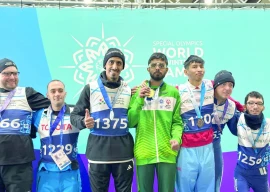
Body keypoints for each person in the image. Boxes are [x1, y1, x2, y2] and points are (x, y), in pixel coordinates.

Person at [70, 48, 134, 192]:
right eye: (111, 62)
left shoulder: (129, 90)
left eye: (119, 63)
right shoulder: (90, 88)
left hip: (124, 153)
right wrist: (83, 122)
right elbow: (74, 116)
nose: (115, 66)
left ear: (123, 67)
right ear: (105, 64)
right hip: (98, 154)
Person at [128, 52, 183, 192]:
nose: (157, 68)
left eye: (161, 65)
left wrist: (176, 138)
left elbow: (177, 122)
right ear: (148, 69)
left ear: (167, 69)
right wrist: (139, 99)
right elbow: (130, 121)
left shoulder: (173, 92)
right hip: (144, 152)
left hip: (167, 153)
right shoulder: (136, 92)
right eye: (154, 65)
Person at [0, 58, 50, 191]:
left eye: (15, 73)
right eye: (7, 73)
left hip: (19, 163)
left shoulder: (26, 93)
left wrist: (31, 129)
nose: (12, 77)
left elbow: (52, 107)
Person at [32, 80, 81, 192]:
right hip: (46, 173)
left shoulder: (75, 112)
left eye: (60, 90)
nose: (57, 94)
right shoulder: (38, 114)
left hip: (70, 172)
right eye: (53, 91)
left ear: (65, 93)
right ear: (47, 95)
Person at [176, 55, 214, 192]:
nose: (199, 69)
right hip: (187, 148)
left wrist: (240, 107)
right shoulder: (178, 90)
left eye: (201, 66)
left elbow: (226, 94)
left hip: (207, 146)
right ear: (186, 72)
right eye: (194, 66)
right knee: (184, 187)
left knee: (207, 187)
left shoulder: (211, 85)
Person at [233, 91, 270, 192]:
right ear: (245, 106)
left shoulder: (268, 124)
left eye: (259, 103)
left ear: (263, 107)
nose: (255, 106)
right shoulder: (238, 119)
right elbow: (226, 101)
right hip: (242, 173)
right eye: (251, 103)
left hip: (261, 175)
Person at [212, 70, 241, 192]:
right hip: (194, 147)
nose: (227, 88)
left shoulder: (231, 106)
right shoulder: (203, 98)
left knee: (216, 179)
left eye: (230, 85)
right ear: (215, 86)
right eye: (223, 84)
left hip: (215, 146)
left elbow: (236, 130)